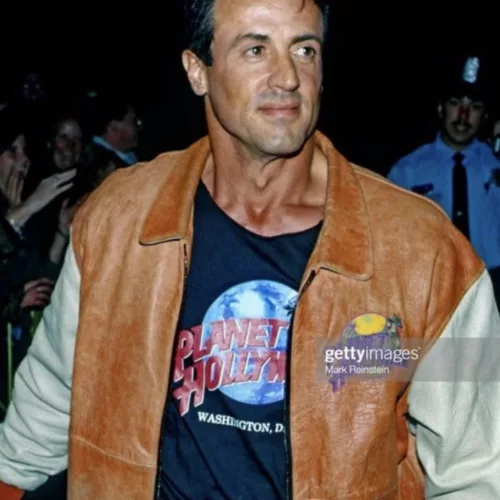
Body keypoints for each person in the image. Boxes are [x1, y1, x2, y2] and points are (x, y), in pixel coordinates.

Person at [1, 1, 500, 499]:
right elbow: (47, 404)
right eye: (256, 49)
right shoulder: (118, 220)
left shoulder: (425, 253)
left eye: (304, 50)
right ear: (198, 71)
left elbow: (475, 467)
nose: (288, 78)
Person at [387, 55, 500, 270]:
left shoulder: (495, 163)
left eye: (475, 107)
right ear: (441, 108)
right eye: (455, 103)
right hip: (430, 276)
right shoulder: (407, 171)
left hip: (493, 280)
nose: (463, 116)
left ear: (485, 116)